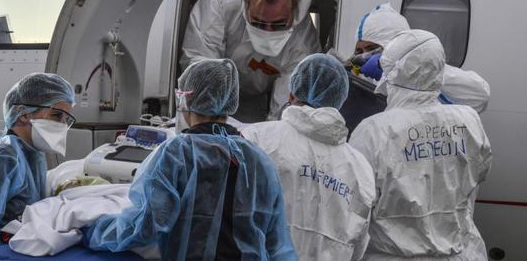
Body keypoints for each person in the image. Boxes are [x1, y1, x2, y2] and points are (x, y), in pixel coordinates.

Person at [84, 59, 296, 260]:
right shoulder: (259, 160)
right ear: (230, 100)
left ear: (185, 99)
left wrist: (94, 233)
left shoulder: (176, 154)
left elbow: (145, 226)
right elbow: (277, 243)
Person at [349, 30, 492, 260]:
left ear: (394, 69)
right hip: (458, 253)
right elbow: (480, 172)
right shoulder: (468, 120)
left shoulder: (373, 131)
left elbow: (355, 204)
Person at [242, 54, 375, 260]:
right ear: (339, 99)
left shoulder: (257, 139)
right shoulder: (359, 167)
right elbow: (358, 245)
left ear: (292, 94)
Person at [0, 73, 76, 261]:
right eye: (57, 115)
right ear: (24, 114)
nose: (62, 125)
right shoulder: (0, 156)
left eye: (67, 120)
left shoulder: (31, 155)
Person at [180, 0, 320, 122]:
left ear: (293, 13)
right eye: (258, 22)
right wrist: (207, 120)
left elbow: (290, 101)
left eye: (278, 24)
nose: (268, 31)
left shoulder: (303, 37)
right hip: (217, 89)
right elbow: (201, 65)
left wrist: (274, 130)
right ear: (246, 5)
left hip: (257, 100)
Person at [352, 3, 490, 113]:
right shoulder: (365, 76)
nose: (365, 56)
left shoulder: (431, 71)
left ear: (394, 46)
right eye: (359, 51)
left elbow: (480, 97)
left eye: (371, 48)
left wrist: (401, 70)